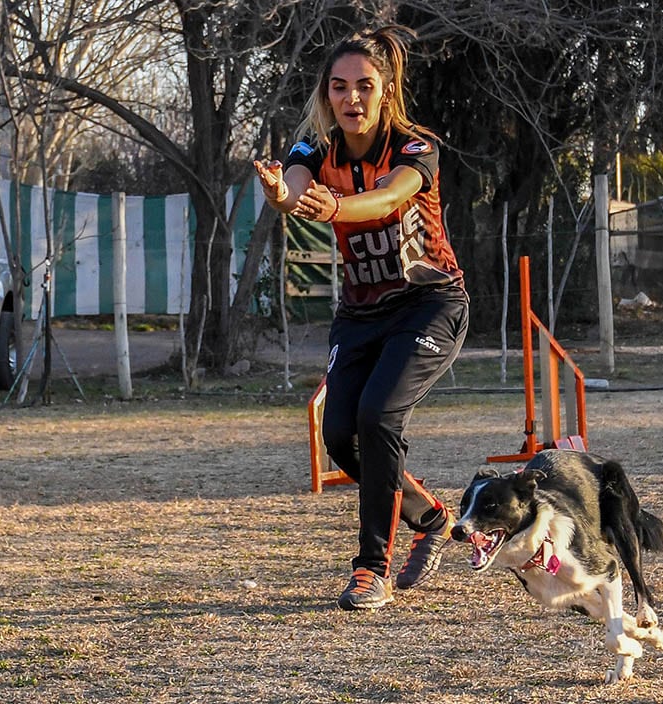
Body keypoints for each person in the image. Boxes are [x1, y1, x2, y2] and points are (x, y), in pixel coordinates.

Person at [254, 25, 468, 610]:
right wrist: (278, 192)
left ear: (386, 91)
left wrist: (339, 206)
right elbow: (291, 193)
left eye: (364, 87)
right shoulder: (312, 148)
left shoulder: (415, 146)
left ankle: (369, 569)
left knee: (378, 416)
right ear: (326, 95)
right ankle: (429, 516)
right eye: (339, 87)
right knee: (339, 435)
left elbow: (389, 198)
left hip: (430, 302)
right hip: (360, 313)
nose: (351, 99)